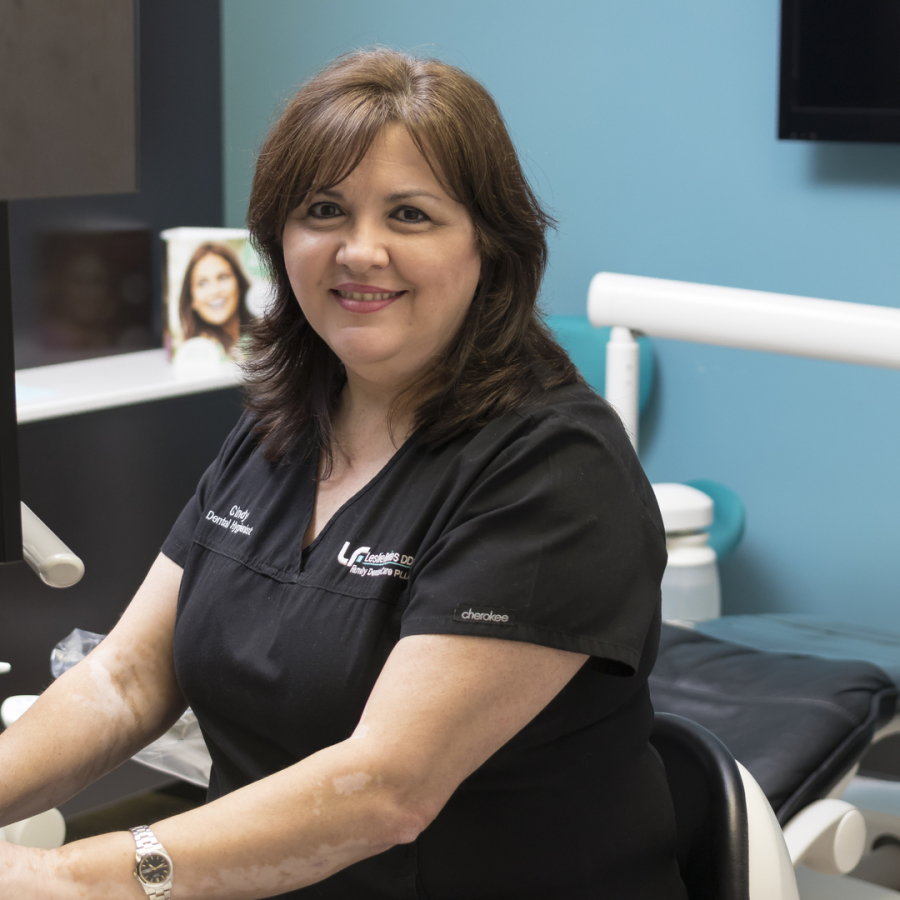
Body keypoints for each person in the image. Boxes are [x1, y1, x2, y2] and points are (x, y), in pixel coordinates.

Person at [0, 50, 687, 899]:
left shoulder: (554, 470)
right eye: (324, 210)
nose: (361, 251)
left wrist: (63, 878)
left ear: (490, 245)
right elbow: (127, 678)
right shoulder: (284, 426)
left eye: (410, 215)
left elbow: (385, 791)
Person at [176, 242, 252, 360]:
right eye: (202, 283)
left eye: (223, 277)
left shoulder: (267, 336)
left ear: (239, 284)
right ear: (192, 299)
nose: (215, 291)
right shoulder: (194, 356)